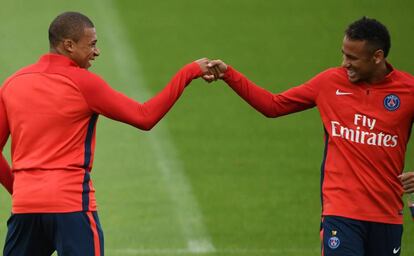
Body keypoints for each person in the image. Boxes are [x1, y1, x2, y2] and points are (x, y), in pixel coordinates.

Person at [0, 11, 214, 256]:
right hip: (72, 207)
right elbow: (144, 117)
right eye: (91, 44)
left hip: (26, 207)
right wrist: (187, 73)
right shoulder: (83, 82)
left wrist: (19, 189)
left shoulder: (12, 83)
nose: (97, 51)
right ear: (68, 45)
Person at [206, 17, 414, 256]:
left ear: (377, 57)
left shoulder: (408, 91)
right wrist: (229, 74)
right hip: (341, 212)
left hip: (387, 215)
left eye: (352, 58)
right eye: (343, 54)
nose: (344, 63)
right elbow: (273, 106)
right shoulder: (328, 83)